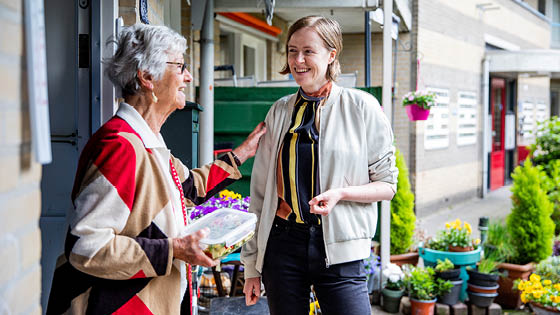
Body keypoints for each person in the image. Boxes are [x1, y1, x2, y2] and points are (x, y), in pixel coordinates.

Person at [46, 24, 266, 315]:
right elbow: (86, 246)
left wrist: (243, 152)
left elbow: (189, 187)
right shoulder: (120, 146)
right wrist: (173, 249)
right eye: (181, 66)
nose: (188, 76)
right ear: (147, 76)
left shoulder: (148, 141)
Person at [241, 16, 398, 314]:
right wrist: (251, 265)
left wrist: (341, 194)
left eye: (308, 51)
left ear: (331, 55)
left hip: (340, 249)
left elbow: (387, 186)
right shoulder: (279, 111)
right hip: (282, 246)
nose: (298, 60)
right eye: (292, 50)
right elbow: (259, 194)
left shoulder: (361, 107)